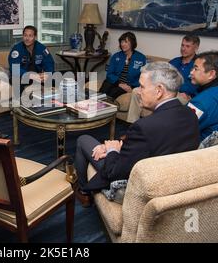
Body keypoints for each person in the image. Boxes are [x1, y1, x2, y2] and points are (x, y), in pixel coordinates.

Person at [74, 62, 200, 207]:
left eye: (142, 86)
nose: (138, 91)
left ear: (159, 91)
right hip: (172, 181)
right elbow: (157, 144)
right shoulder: (191, 116)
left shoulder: (144, 127)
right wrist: (121, 146)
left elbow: (113, 172)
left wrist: (112, 150)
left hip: (143, 184)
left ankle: (83, 191)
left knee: (84, 139)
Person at [127, 34, 200, 122]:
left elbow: (194, 86)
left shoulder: (197, 65)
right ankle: (132, 125)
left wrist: (177, 89)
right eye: (182, 45)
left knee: (162, 98)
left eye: (187, 46)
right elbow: (160, 76)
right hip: (166, 89)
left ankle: (151, 127)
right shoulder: (175, 61)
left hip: (183, 96)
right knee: (136, 91)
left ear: (196, 48)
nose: (183, 49)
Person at [99, 32, 146, 100]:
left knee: (113, 92)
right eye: (121, 42)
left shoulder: (141, 58)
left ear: (132, 43)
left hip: (129, 85)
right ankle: (94, 105)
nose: (123, 44)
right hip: (115, 82)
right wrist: (119, 83)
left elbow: (143, 76)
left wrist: (132, 87)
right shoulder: (116, 56)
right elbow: (109, 73)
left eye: (126, 42)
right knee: (105, 88)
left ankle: (106, 108)